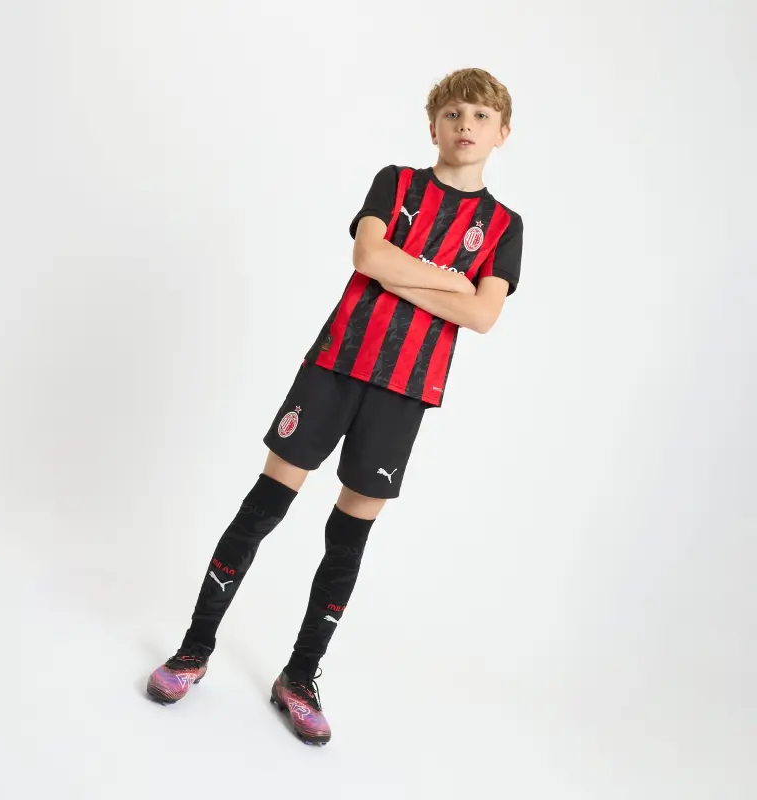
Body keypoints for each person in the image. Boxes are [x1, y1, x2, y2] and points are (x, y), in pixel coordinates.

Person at [146, 67, 524, 746]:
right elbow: (367, 254)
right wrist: (449, 282)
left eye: (480, 116)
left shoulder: (504, 226)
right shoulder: (396, 183)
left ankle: (299, 676)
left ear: (502, 133)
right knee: (264, 507)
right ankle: (193, 650)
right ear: (433, 126)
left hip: (407, 389)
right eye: (453, 114)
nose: (465, 125)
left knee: (348, 537)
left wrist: (402, 273)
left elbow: (483, 314)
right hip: (335, 365)